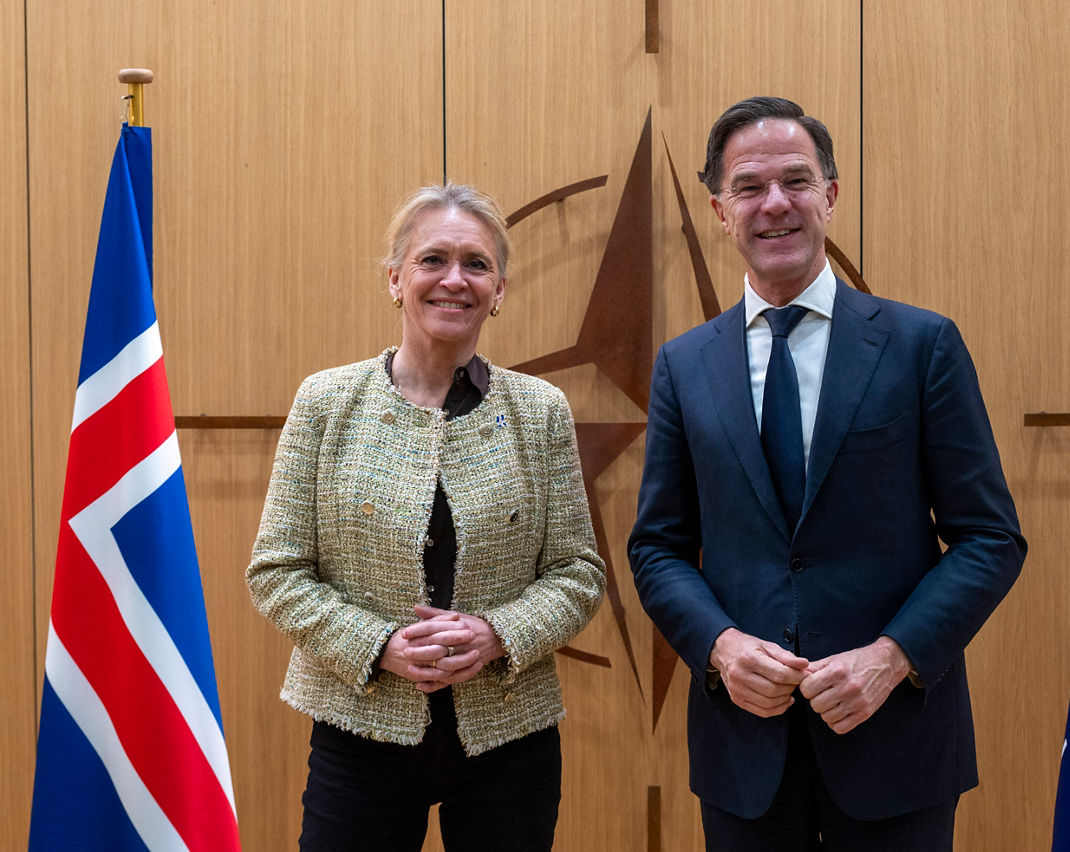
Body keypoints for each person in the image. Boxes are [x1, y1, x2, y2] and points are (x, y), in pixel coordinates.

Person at [628, 96, 1026, 850]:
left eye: (796, 181)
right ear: (719, 210)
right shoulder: (684, 364)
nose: (774, 203)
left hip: (895, 739)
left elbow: (989, 538)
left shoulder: (922, 346)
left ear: (831, 196)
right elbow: (657, 547)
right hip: (744, 751)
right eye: (748, 186)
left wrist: (892, 658)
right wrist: (719, 646)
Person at [247, 183, 605, 852]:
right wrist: (378, 645)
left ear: (499, 289)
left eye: (476, 264)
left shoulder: (541, 410)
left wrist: (497, 633)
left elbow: (577, 575)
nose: (454, 280)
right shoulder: (326, 402)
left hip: (510, 737)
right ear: (395, 279)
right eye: (432, 259)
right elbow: (276, 572)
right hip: (359, 730)